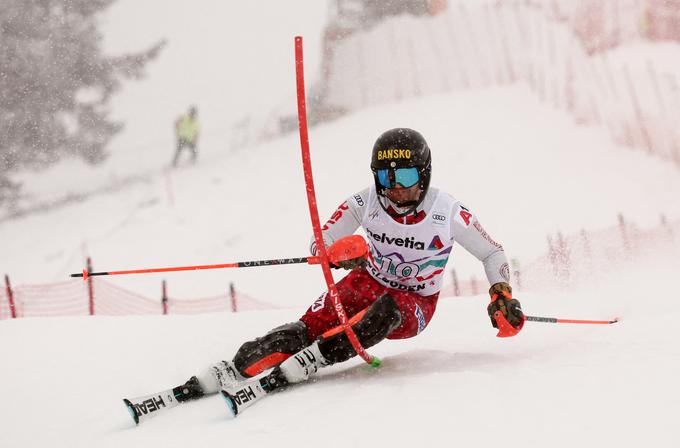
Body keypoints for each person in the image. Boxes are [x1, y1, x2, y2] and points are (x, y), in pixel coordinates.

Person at [171, 128, 524, 411]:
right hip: (365, 281)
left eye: (405, 175)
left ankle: (315, 359)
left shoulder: (447, 212)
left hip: (415, 302)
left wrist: (501, 294)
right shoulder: (365, 201)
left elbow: (492, 253)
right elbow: (319, 241)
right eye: (386, 178)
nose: (396, 188)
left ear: (424, 174)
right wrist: (335, 252)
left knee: (383, 314)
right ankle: (235, 367)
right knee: (298, 332)